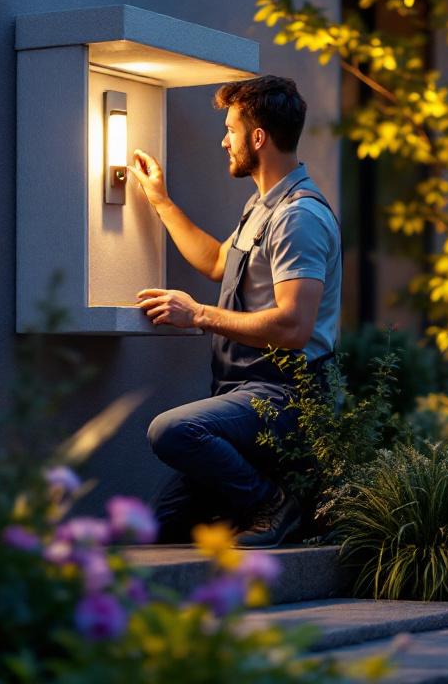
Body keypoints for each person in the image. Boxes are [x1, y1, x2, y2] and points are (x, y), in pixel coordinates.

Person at [129, 75, 340, 549]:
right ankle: (251, 503)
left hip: (286, 398)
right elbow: (216, 262)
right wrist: (159, 199)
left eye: (231, 130)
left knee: (172, 431)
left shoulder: (298, 217)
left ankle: (274, 503)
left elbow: (294, 326)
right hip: (246, 394)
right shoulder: (262, 207)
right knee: (152, 528)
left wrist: (198, 315)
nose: (224, 141)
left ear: (258, 137)